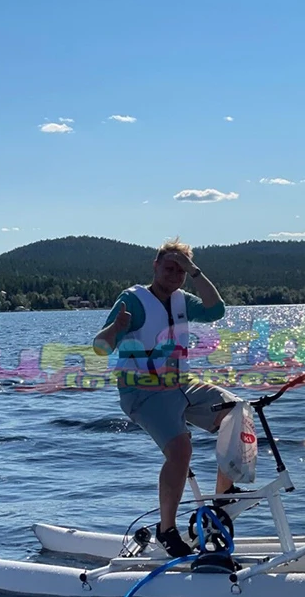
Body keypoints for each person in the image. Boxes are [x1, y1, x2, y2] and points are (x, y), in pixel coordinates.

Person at [93, 238, 240, 557]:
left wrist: (196, 272)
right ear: (155, 266)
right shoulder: (132, 300)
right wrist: (115, 329)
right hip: (141, 389)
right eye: (169, 267)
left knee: (235, 411)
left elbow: (216, 310)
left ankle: (222, 505)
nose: (175, 275)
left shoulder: (182, 300)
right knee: (181, 449)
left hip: (180, 384)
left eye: (182, 271)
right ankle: (166, 529)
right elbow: (100, 347)